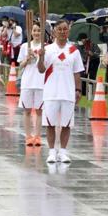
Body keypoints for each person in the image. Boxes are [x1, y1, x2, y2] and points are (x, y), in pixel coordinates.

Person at [37, 19, 84, 163]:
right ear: (54, 32)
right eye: (60, 29)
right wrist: (41, 56)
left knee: (66, 124)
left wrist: (78, 90)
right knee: (50, 123)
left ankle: (63, 152)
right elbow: (40, 69)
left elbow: (77, 73)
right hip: (51, 92)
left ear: (68, 31)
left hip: (68, 92)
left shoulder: (74, 51)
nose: (62, 32)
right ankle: (52, 152)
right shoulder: (48, 49)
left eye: (65, 29)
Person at [18, 23, 44, 146]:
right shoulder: (24, 46)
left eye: (39, 30)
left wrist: (37, 56)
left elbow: (46, 65)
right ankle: (28, 136)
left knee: (39, 111)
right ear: (30, 32)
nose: (36, 33)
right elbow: (20, 66)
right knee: (27, 110)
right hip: (27, 82)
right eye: (34, 30)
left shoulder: (46, 47)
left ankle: (37, 136)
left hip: (40, 82)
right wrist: (27, 59)